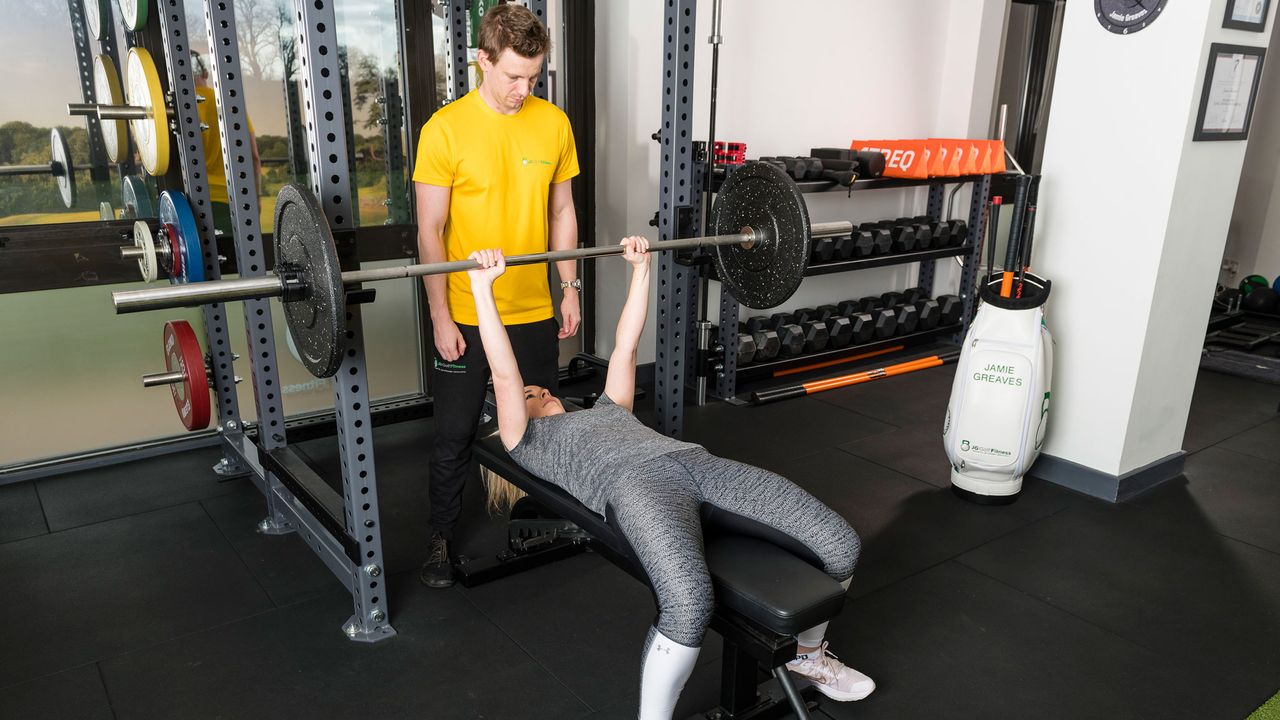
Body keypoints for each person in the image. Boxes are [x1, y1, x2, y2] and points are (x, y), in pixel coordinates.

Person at [467, 239, 875, 719]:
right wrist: (482, 289)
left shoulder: (605, 408)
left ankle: (806, 656)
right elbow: (505, 373)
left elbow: (626, 344)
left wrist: (642, 270)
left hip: (696, 462)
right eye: (533, 395)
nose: (542, 392)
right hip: (636, 487)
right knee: (689, 603)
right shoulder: (526, 442)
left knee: (840, 542)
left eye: (542, 389)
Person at [412, 3, 580, 588]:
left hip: (533, 307)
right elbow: (429, 231)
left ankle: (537, 519)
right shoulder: (445, 129)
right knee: (455, 432)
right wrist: (438, 313)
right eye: (512, 75)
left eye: (533, 77)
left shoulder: (553, 123)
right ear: (481, 59)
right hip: (464, 308)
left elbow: (562, 210)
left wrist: (569, 286)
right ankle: (440, 535)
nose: (522, 88)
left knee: (542, 427)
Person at [193, 53, 262, 239]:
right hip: (232, 199)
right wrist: (257, 198)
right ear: (206, 73)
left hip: (194, 202)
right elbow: (254, 157)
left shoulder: (181, 109)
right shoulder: (229, 103)